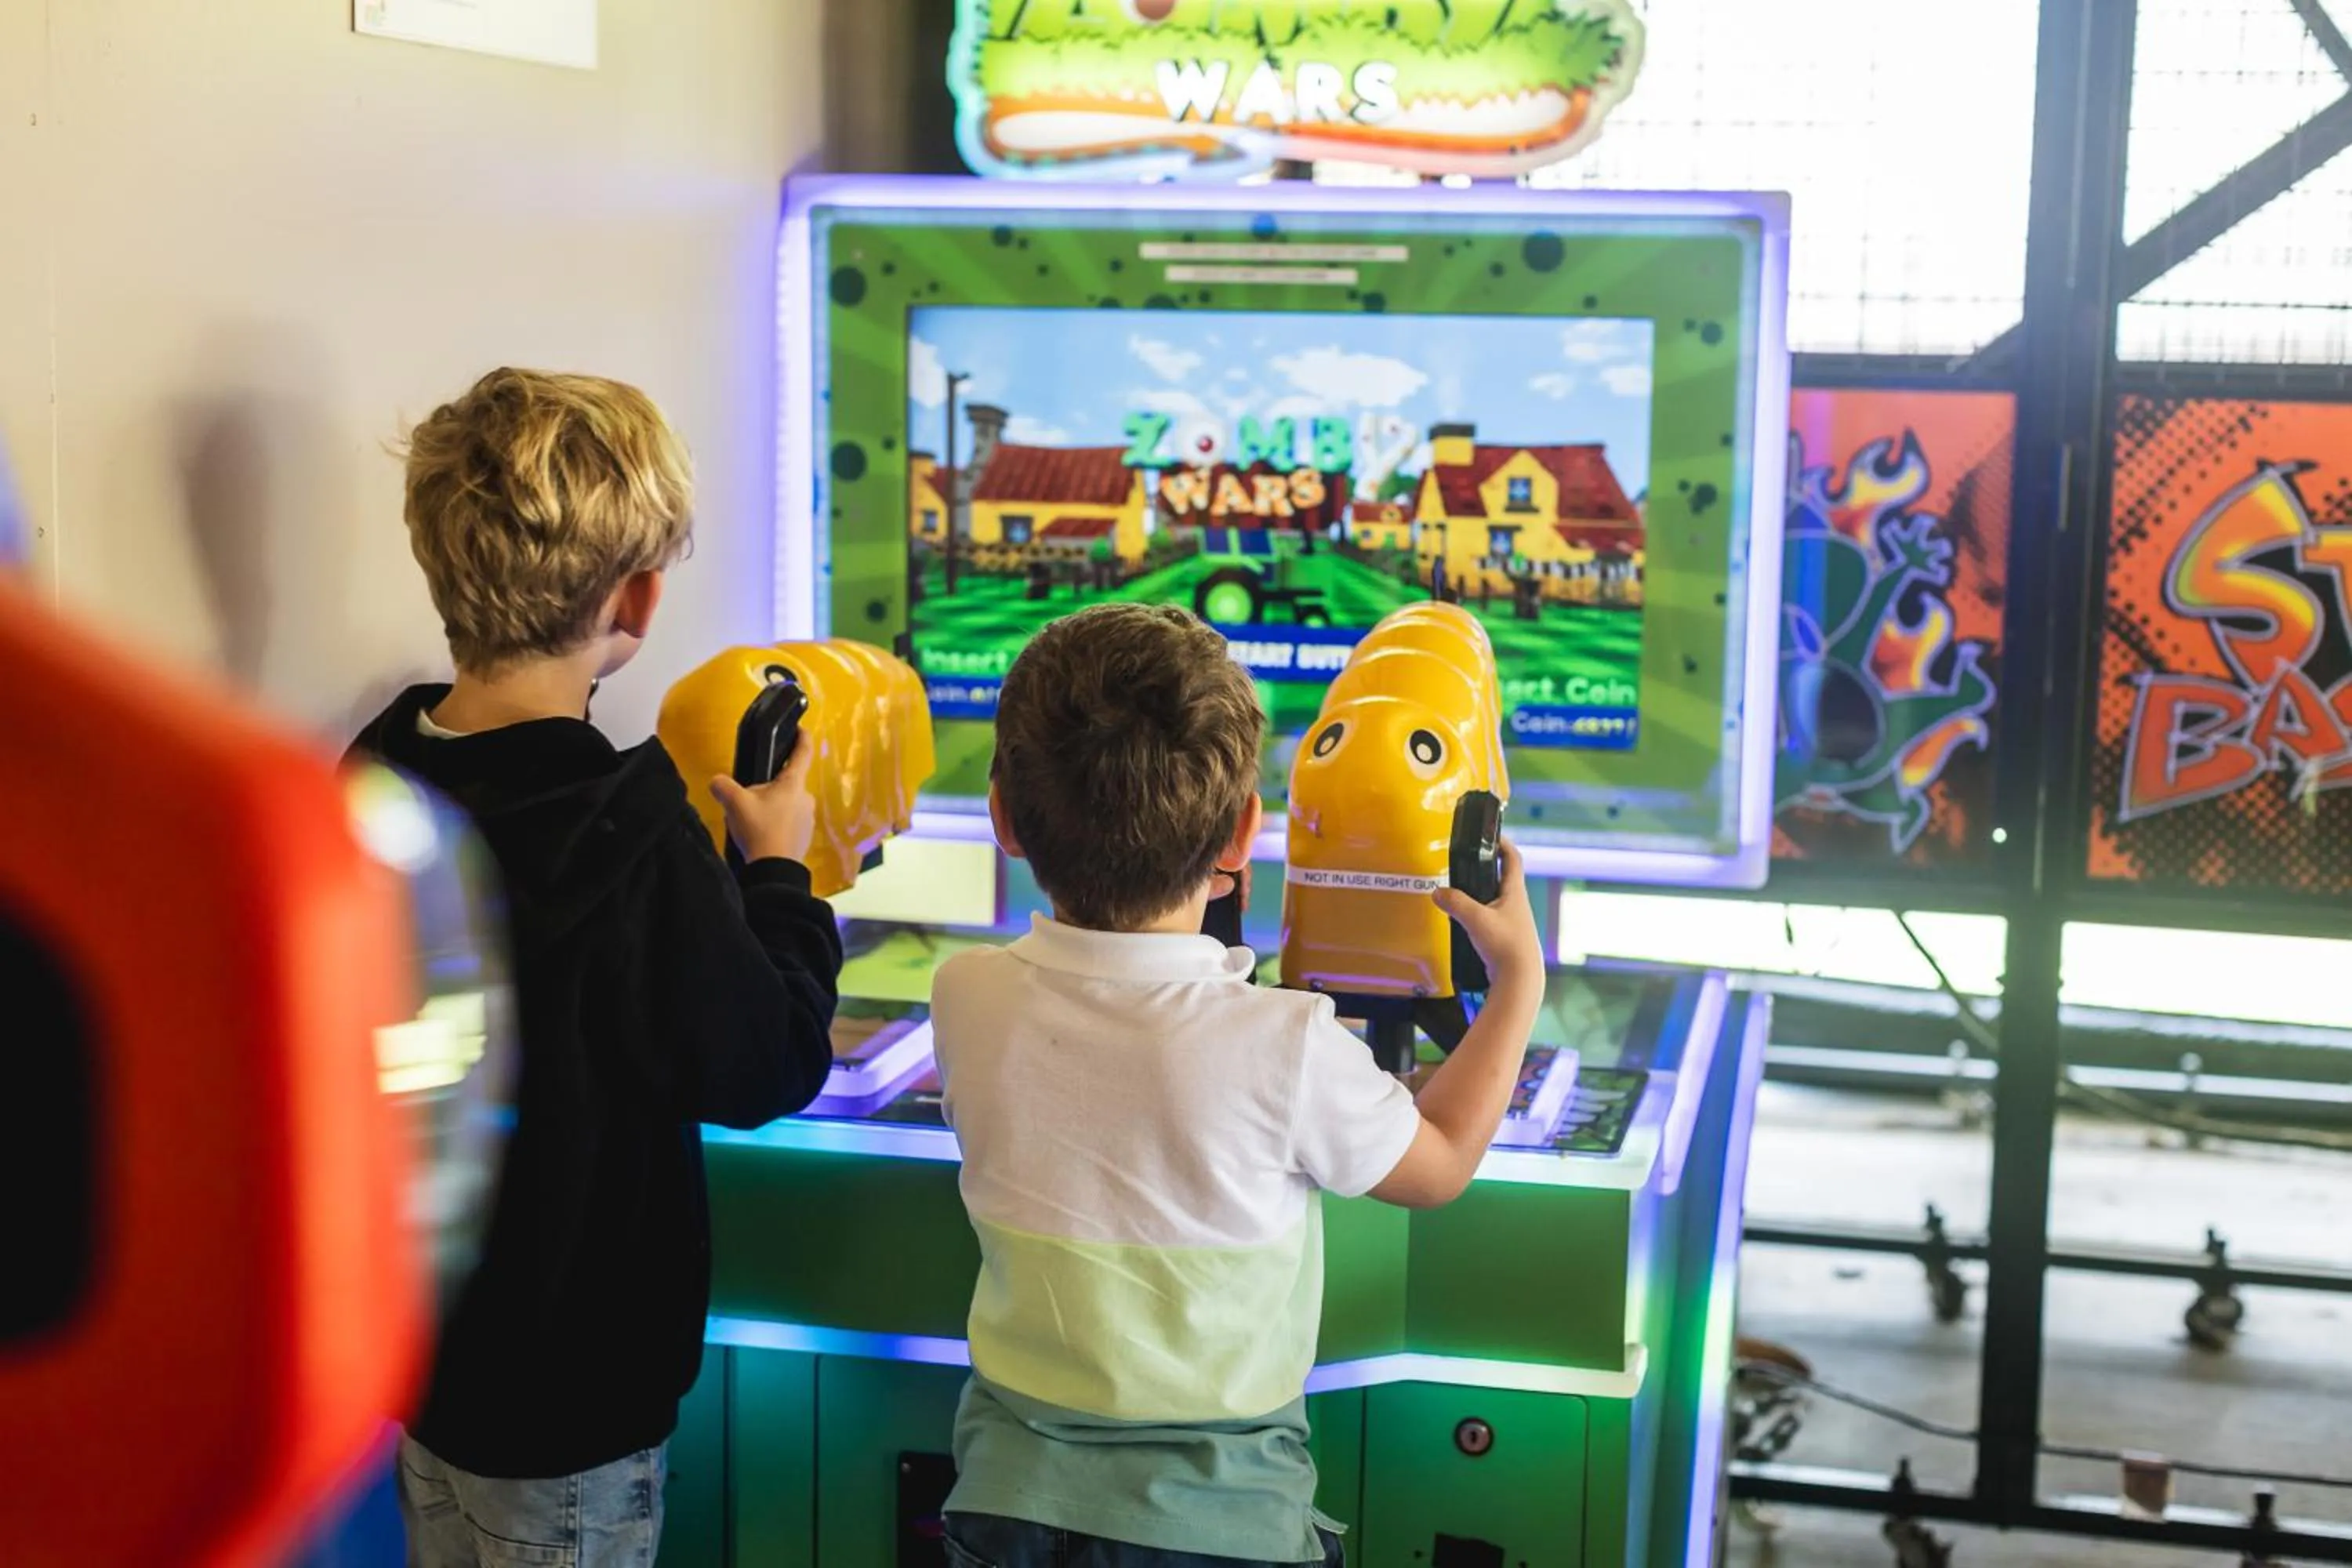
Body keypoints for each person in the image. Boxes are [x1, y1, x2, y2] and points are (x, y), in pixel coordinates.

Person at [931, 603, 1546, 1566]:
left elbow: (1130, 1049)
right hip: (1220, 1528)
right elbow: (1436, 1168)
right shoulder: (1289, 1045)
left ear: (1004, 815)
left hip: (1002, 1505)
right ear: (1242, 835)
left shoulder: (964, 994)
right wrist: (1518, 982)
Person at [349, 367, 840, 1567]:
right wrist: (780, 874)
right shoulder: (630, 830)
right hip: (574, 1413)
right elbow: (765, 1063)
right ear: (639, 599)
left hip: (422, 1370)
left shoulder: (365, 780)